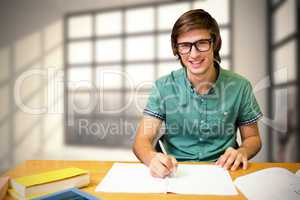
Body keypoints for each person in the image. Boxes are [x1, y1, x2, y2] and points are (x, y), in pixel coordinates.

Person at [132, 9, 262, 178]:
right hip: (175, 173)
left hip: (225, 172)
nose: (194, 54)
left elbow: (253, 138)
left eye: (202, 43)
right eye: (185, 46)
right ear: (177, 49)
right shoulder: (163, 87)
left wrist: (243, 151)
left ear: (214, 44)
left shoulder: (240, 86)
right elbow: (142, 140)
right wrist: (152, 158)